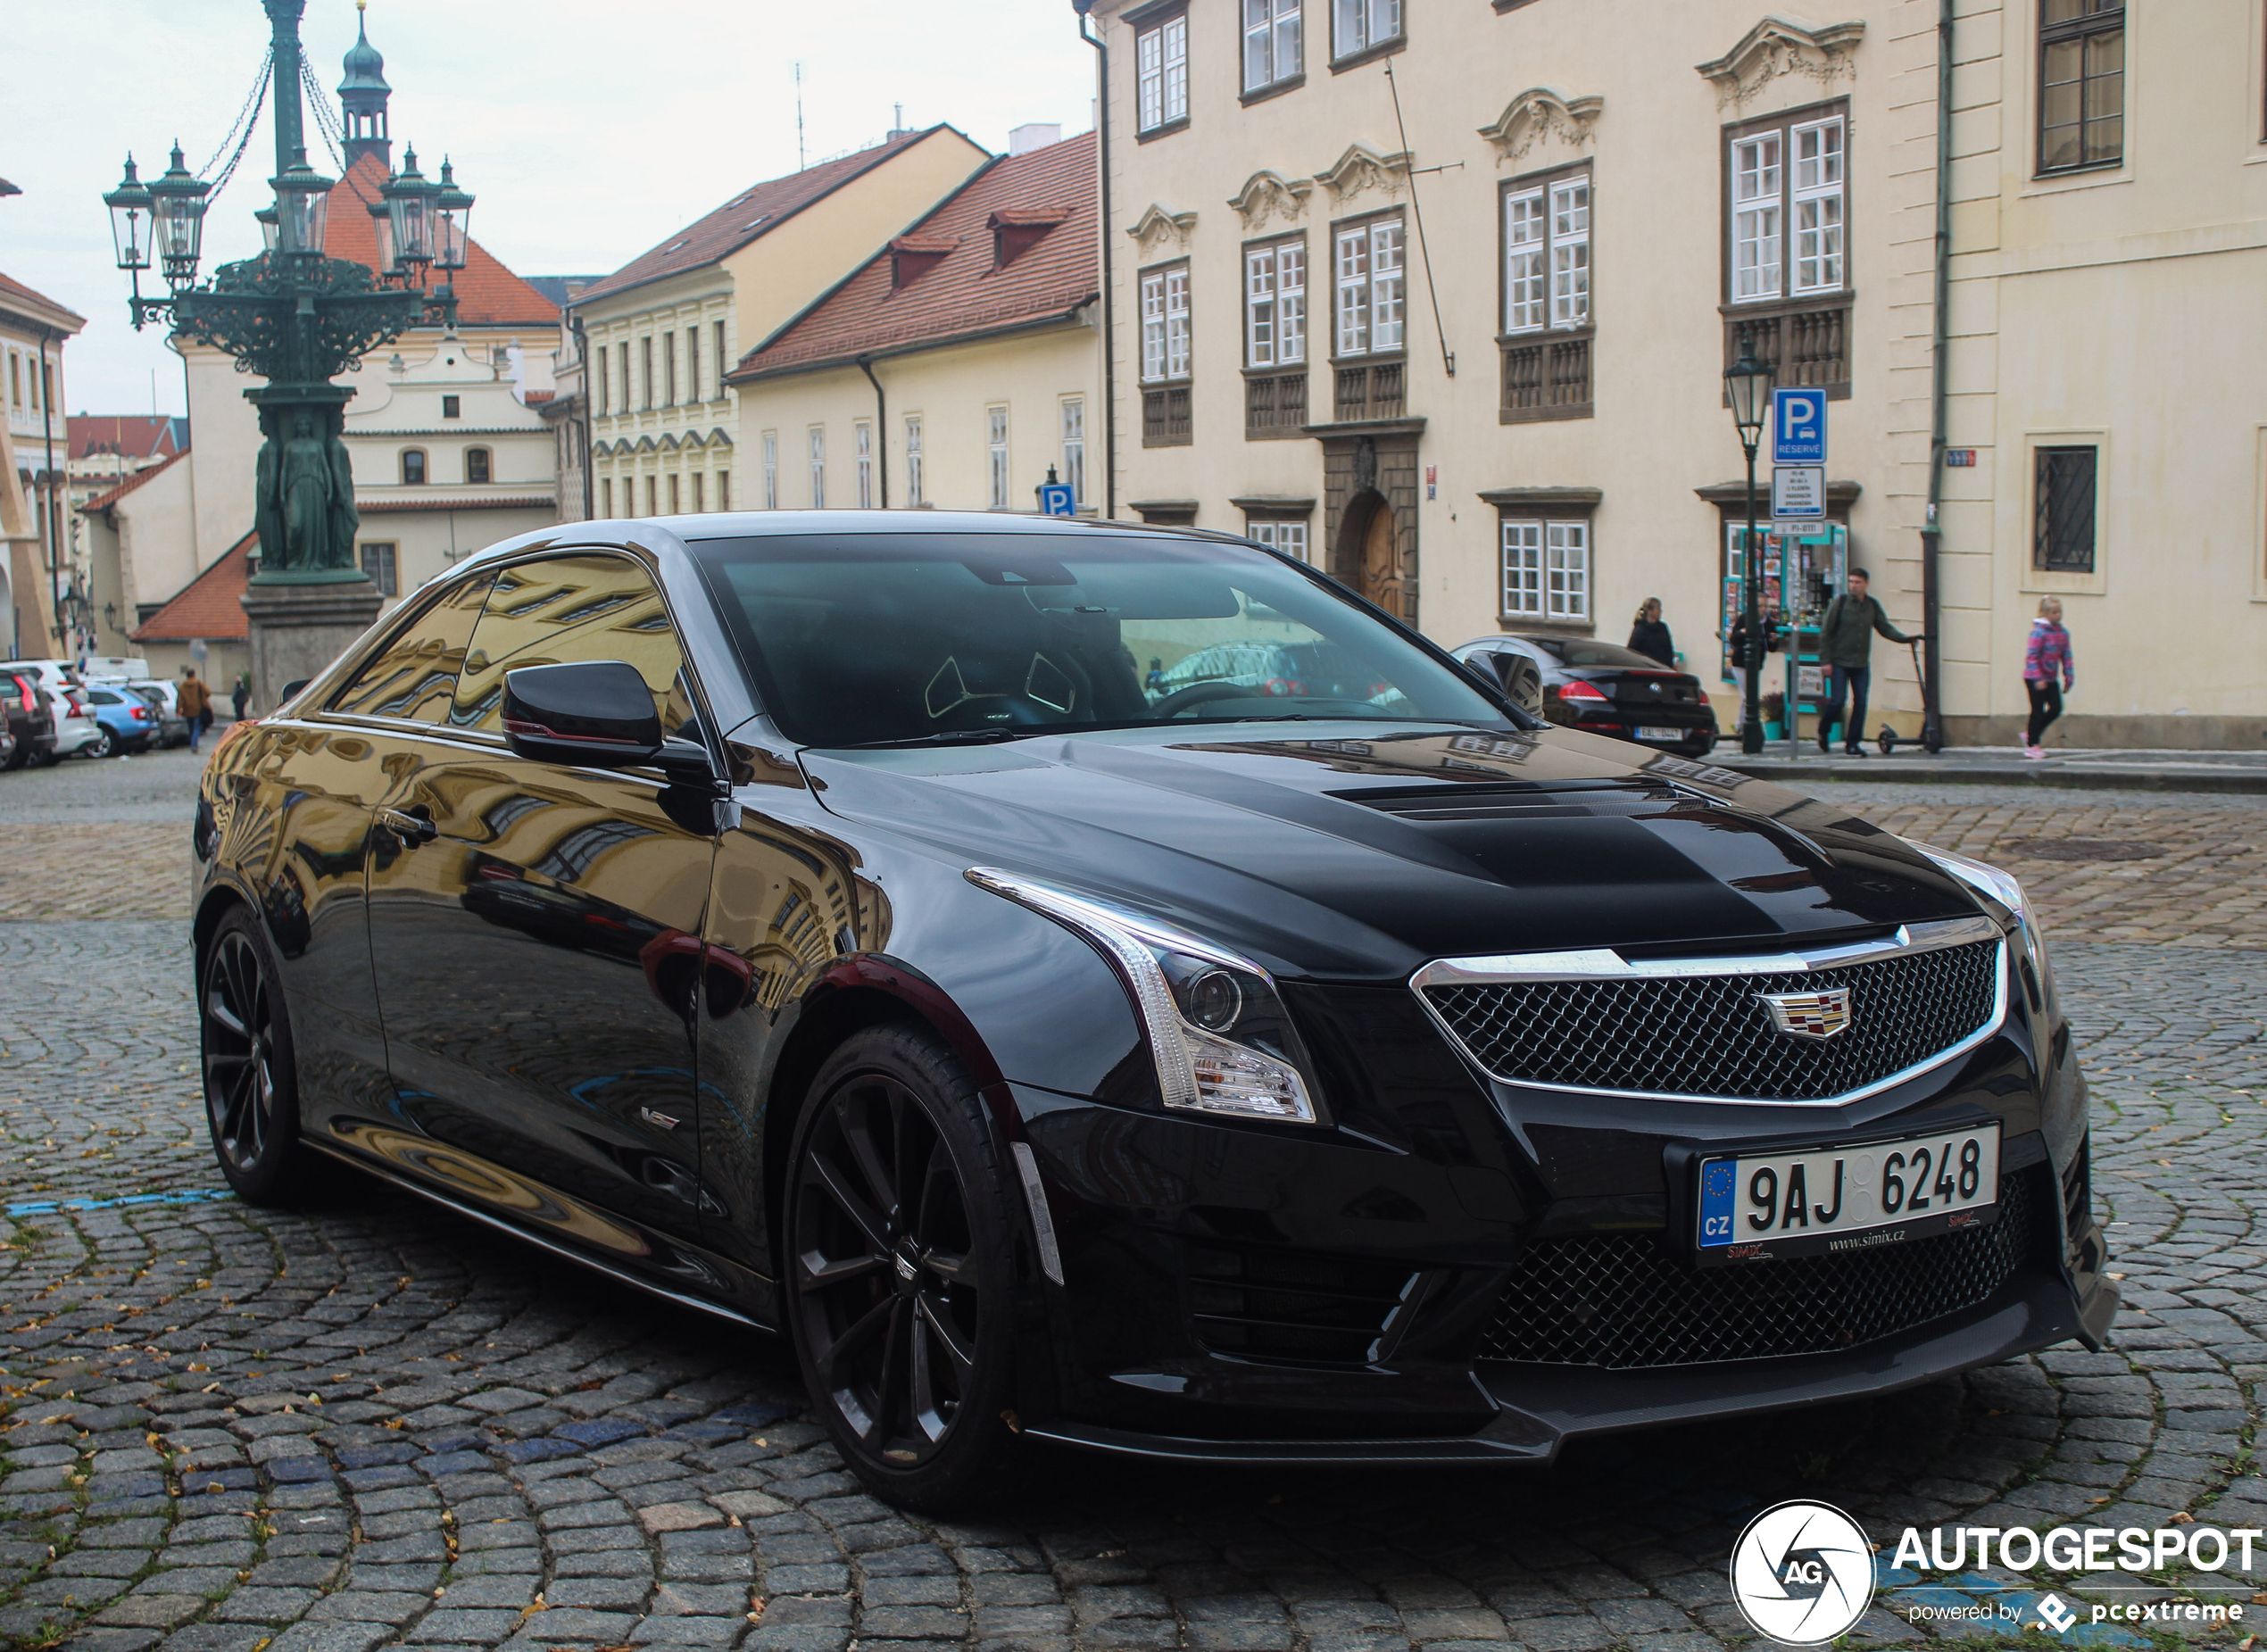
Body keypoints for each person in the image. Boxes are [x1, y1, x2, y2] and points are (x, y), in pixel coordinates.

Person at [1815, 568, 1915, 756]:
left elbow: (1884, 628)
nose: (1853, 585)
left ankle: (1853, 744)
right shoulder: (1841, 603)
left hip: (1861, 663)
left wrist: (1905, 638)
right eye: (1851, 581)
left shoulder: (1872, 605)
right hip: (1839, 661)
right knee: (1838, 701)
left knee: (1860, 702)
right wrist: (1826, 661)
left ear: (1866, 584)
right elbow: (1826, 633)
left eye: (1857, 582)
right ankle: (1823, 730)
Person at [2023, 596, 2074, 760]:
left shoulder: (2063, 634)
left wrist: (2069, 676)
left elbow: (2066, 656)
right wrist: (2038, 678)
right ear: (2045, 613)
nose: (2058, 615)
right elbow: (2032, 656)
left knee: (2056, 708)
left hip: (2051, 678)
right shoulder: (2039, 633)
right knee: (2037, 710)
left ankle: (2031, 734)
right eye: (2054, 612)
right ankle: (2032, 745)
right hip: (2034, 677)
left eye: (2060, 612)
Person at [1628, 598, 1674, 667]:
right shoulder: (1641, 628)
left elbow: (1668, 649)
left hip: (1662, 667)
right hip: (1646, 668)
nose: (1660, 611)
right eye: (1658, 608)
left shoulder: (1663, 627)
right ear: (1650, 611)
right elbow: (1632, 650)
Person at [178, 665, 212, 752]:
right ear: (194, 675)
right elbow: (208, 692)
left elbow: (179, 699)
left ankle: (192, 743)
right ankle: (194, 745)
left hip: (187, 710)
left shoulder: (182, 686)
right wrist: (203, 698)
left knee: (191, 728)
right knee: (197, 728)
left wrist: (178, 710)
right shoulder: (198, 683)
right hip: (198, 709)